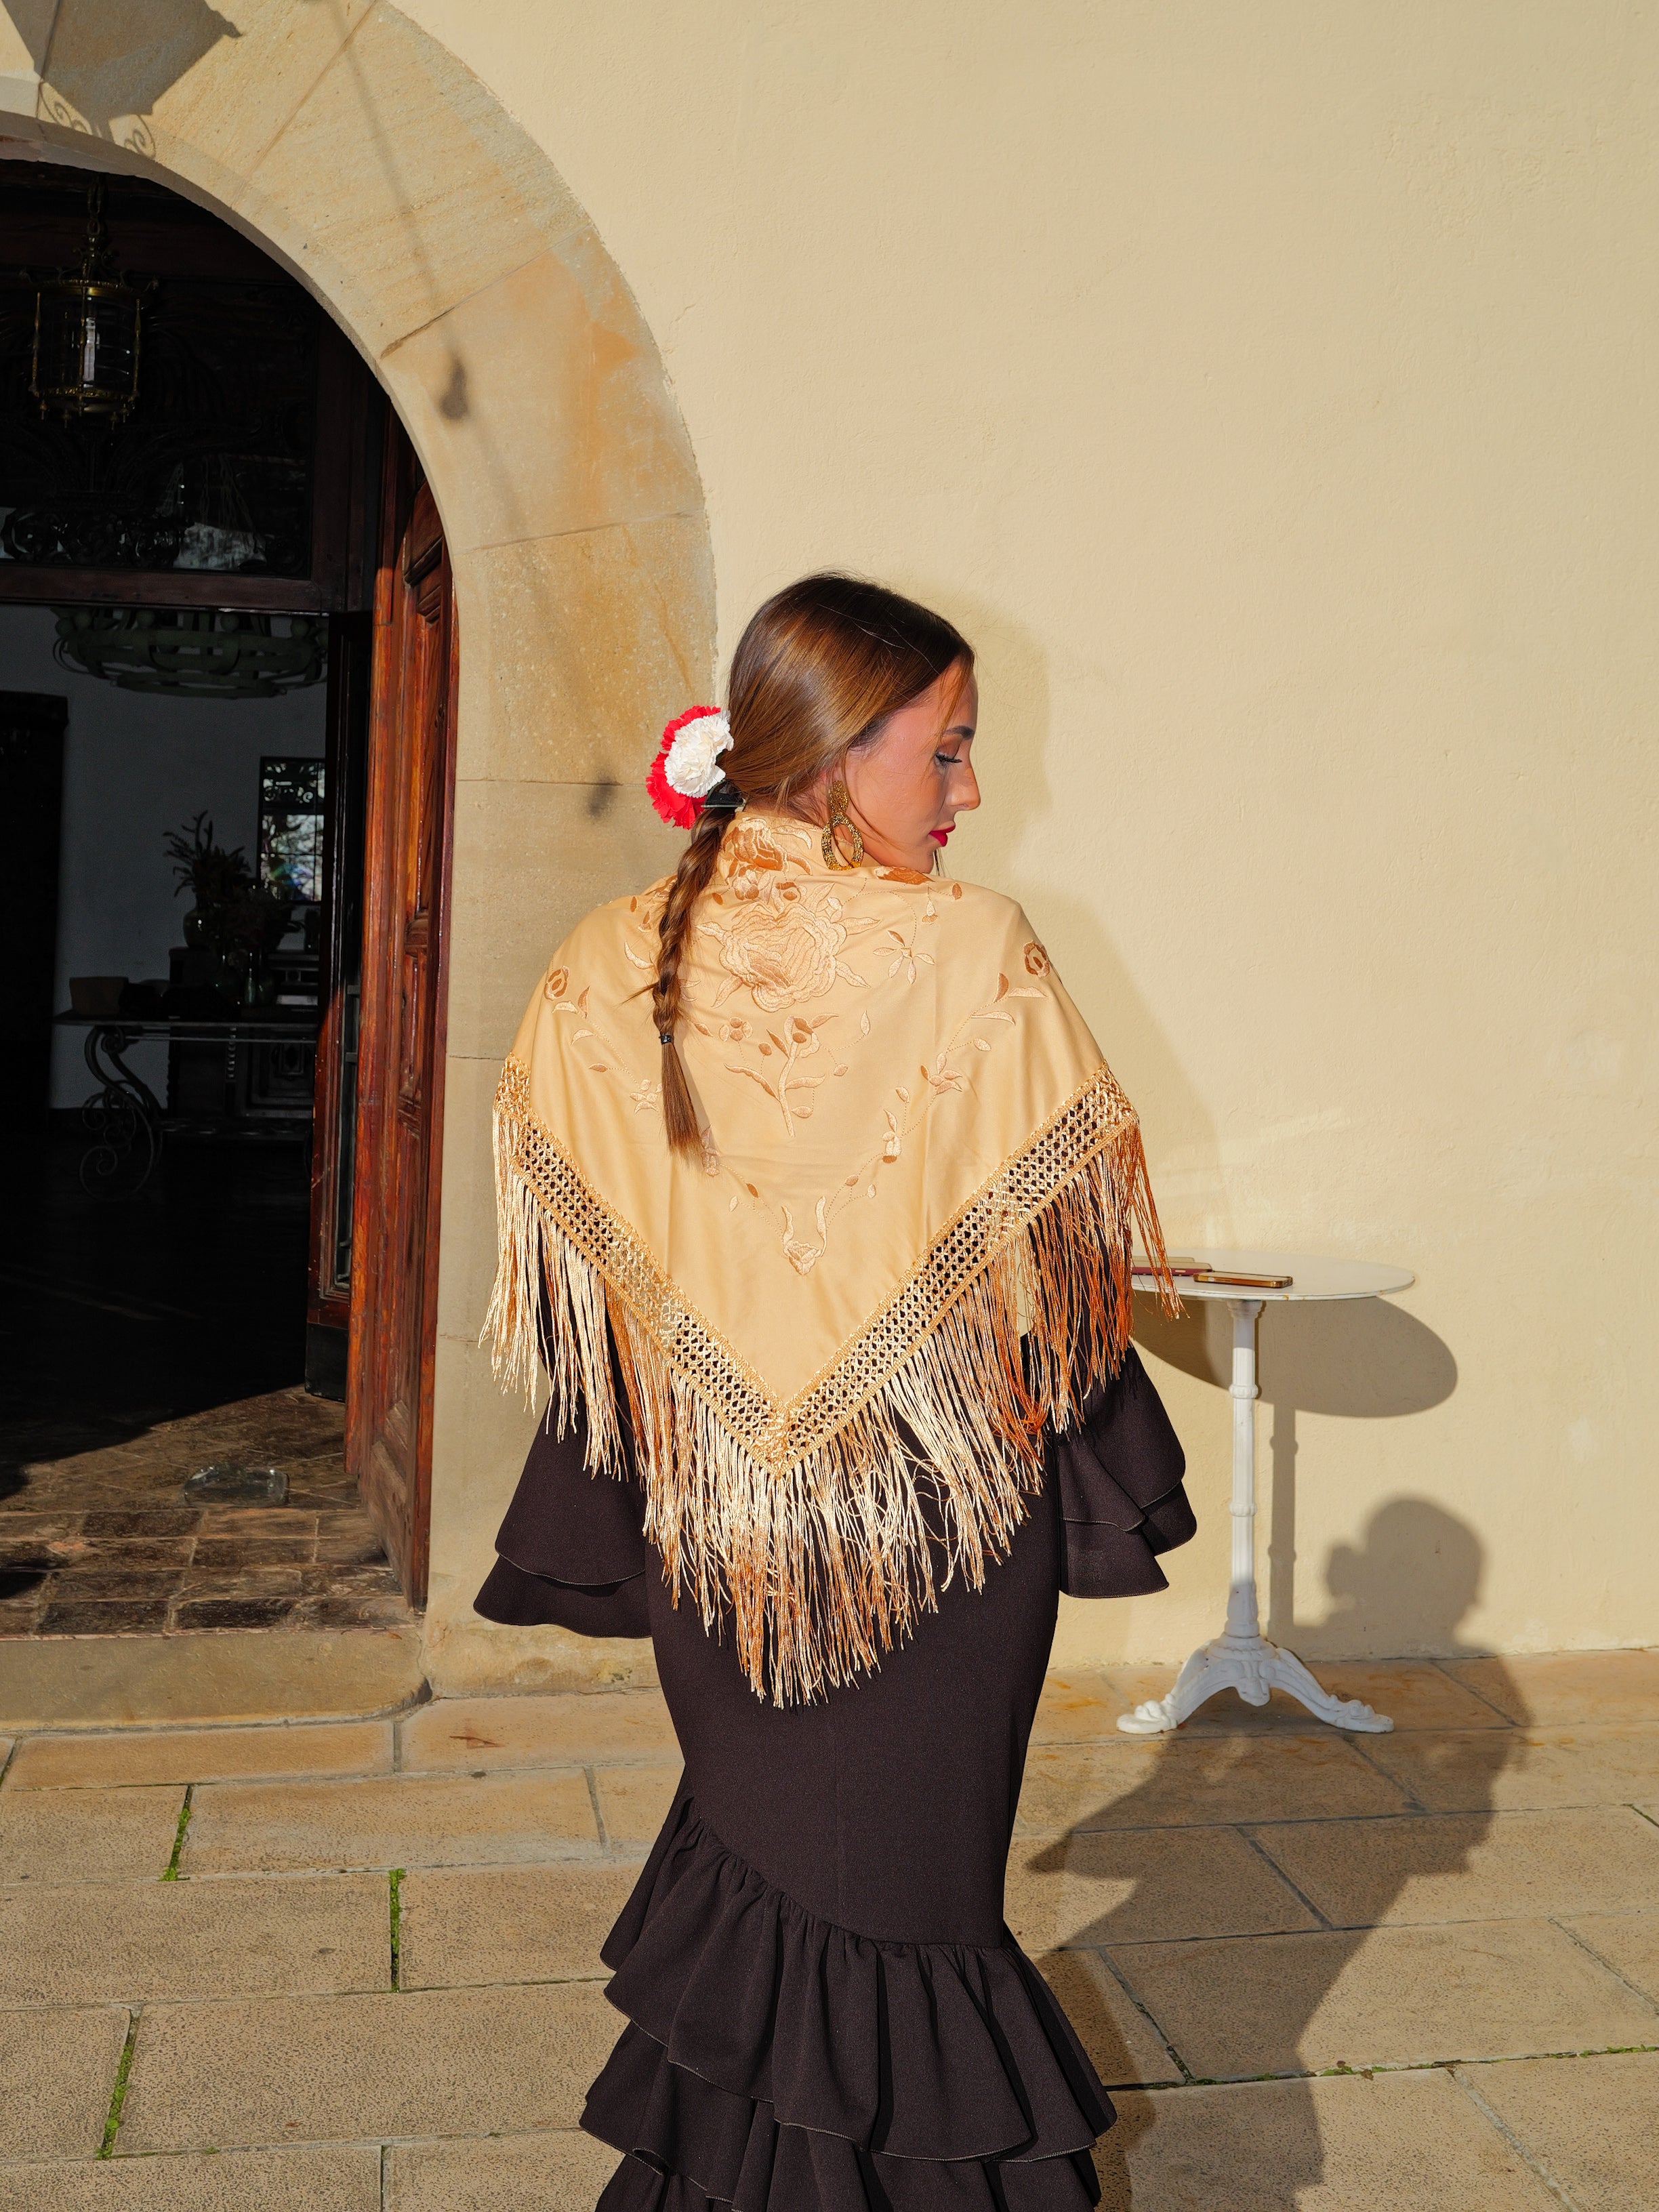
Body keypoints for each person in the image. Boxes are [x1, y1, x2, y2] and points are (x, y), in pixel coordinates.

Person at [476, 574, 1197, 2211]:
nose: (970, 793)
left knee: (824, 1887)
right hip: (941, 1525)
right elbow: (1052, 1258)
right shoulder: (974, 950)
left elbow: (590, 1282)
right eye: (943, 753)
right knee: (894, 1900)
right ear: (828, 753)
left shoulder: (608, 960)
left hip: (710, 1527)